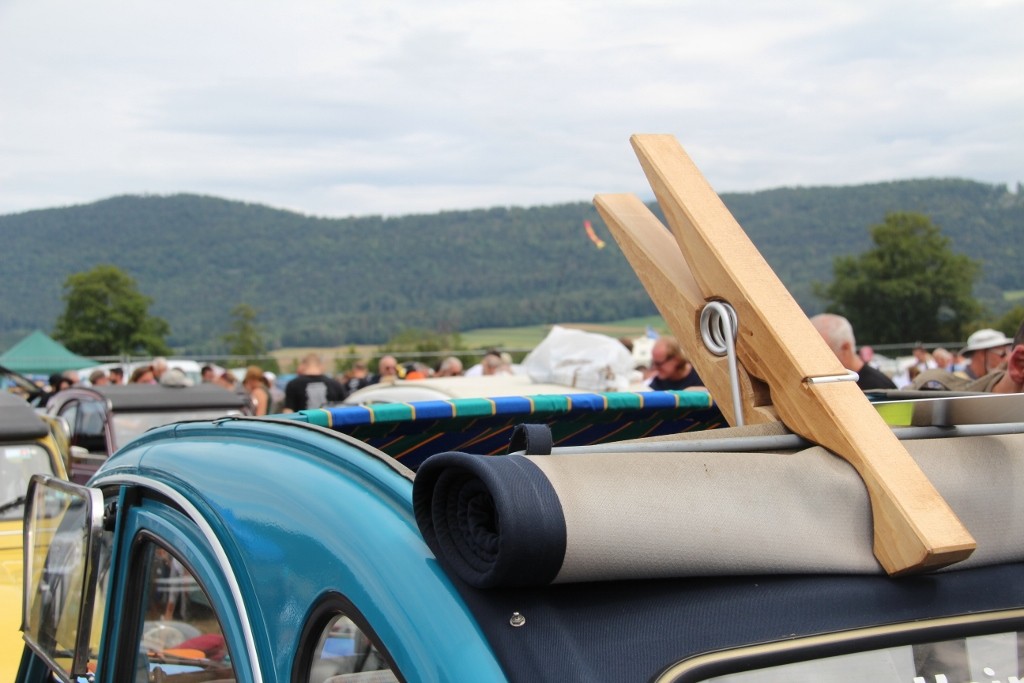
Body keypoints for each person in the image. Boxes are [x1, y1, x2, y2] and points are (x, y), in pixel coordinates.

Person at [913, 323, 1021, 393]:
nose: (1007, 359)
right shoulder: (956, 382)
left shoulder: (995, 385)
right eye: (1002, 354)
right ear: (981, 354)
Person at [809, 314, 896, 391]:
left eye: (821, 353)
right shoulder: (828, 382)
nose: (814, 360)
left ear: (845, 348)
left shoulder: (880, 389)